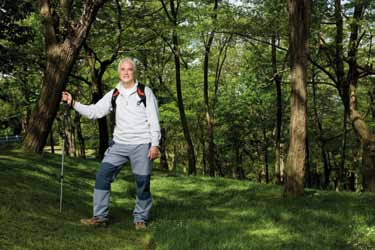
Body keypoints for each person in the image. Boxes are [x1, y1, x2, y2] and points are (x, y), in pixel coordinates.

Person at [62, 58, 161, 230]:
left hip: (142, 144)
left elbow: (154, 120)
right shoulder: (114, 94)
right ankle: (100, 217)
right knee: (102, 176)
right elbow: (95, 112)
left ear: (134, 72)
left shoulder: (145, 92)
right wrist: (73, 103)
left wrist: (155, 144)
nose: (126, 72)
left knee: (142, 183)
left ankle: (140, 218)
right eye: (122, 69)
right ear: (118, 72)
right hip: (118, 145)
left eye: (129, 69)